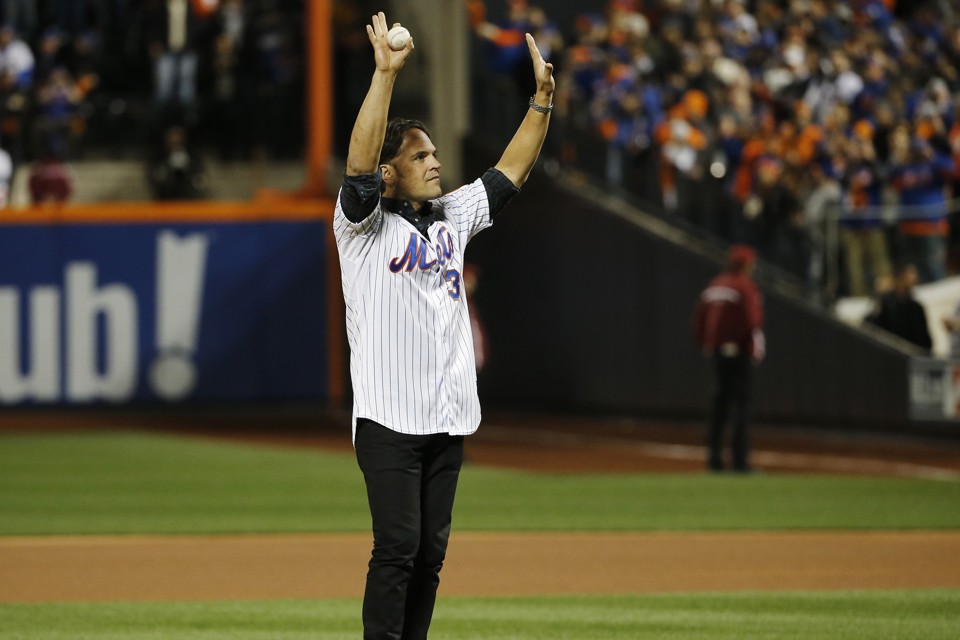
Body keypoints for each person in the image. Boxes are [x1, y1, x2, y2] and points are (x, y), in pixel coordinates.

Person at [332, 11, 554, 640]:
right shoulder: (362, 226)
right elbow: (357, 162)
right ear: (390, 171)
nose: (433, 162)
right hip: (389, 417)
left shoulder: (452, 215)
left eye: (433, 152)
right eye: (419, 155)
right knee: (398, 546)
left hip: (447, 415)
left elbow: (508, 174)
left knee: (430, 557)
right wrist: (384, 76)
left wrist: (539, 103)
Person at [693, 244, 765, 473]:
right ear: (745, 265)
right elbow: (753, 322)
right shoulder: (745, 286)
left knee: (719, 405)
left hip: (716, 354)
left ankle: (714, 459)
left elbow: (699, 320)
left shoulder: (715, 285)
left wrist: (707, 344)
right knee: (740, 406)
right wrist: (749, 347)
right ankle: (740, 462)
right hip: (739, 354)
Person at [866, 262, 933, 354]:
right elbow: (872, 327)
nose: (915, 277)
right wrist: (879, 296)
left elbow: (925, 341)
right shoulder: (887, 304)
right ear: (900, 277)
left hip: (914, 356)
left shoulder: (916, 307)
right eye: (910, 273)